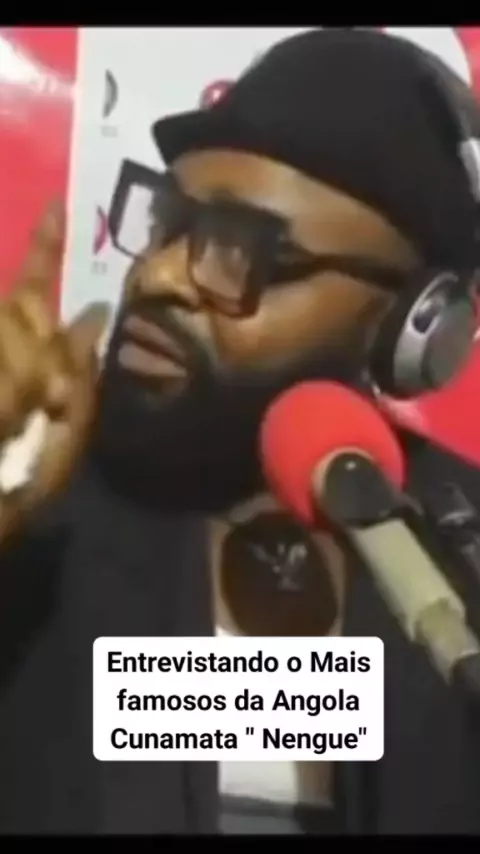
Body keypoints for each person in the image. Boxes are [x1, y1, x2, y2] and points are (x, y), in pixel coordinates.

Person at [1, 27, 480, 835]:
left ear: (408, 325)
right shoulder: (33, 499)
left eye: (240, 249)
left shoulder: (459, 547)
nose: (158, 274)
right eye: (168, 222)